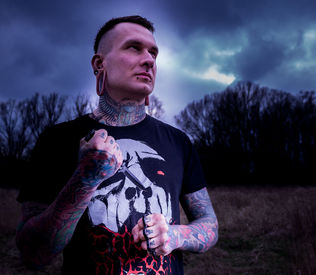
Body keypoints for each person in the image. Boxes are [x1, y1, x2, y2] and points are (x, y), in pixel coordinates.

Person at [16, 15, 218, 274]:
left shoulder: (178, 142)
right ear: (99, 64)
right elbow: (33, 254)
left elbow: (209, 224)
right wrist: (85, 179)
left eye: (153, 53)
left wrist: (175, 235)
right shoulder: (56, 140)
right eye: (134, 47)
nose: (149, 60)